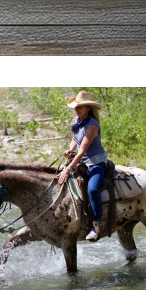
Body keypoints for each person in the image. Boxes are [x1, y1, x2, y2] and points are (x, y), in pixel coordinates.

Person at [58, 90, 107, 241]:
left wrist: (68, 168)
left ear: (88, 108)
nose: (77, 109)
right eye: (76, 107)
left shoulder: (92, 125)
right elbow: (75, 139)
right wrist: (70, 149)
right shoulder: (77, 120)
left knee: (92, 189)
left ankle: (95, 225)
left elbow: (82, 151)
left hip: (96, 163)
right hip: (83, 162)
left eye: (80, 107)